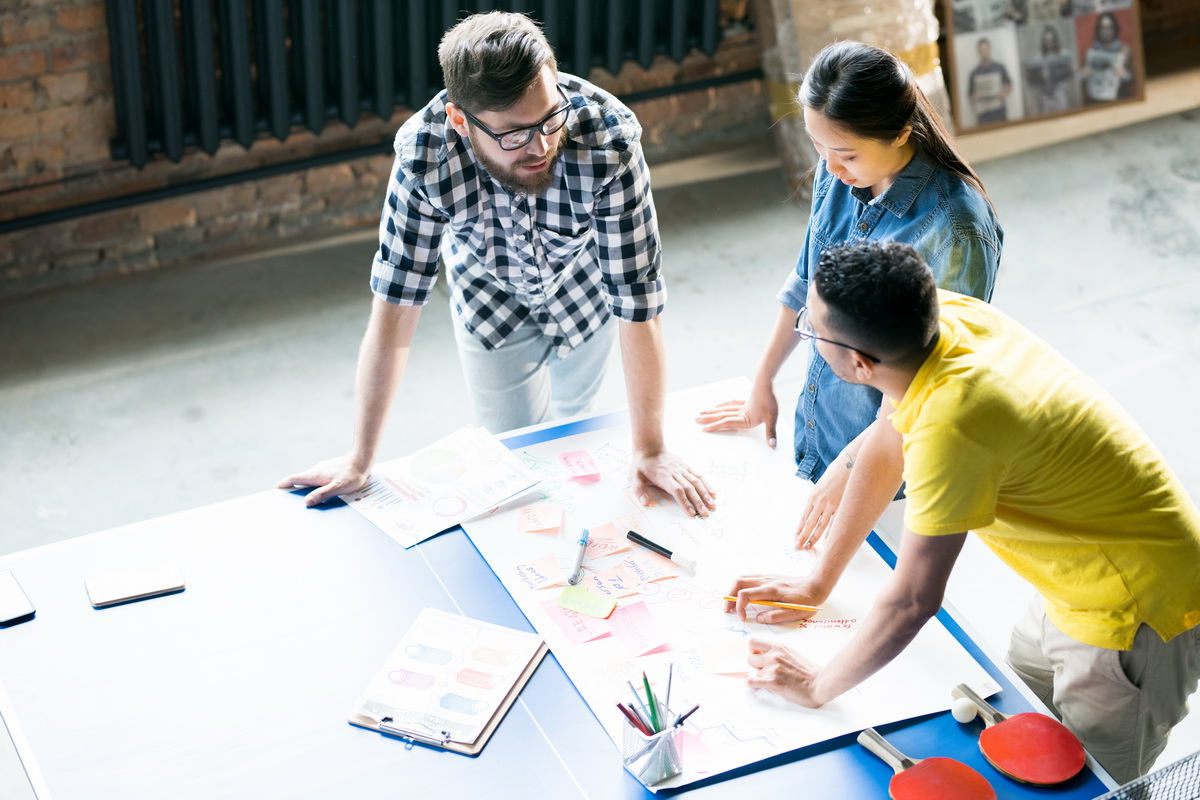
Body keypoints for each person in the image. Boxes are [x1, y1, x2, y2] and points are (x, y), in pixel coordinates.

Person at [726, 240, 1200, 785]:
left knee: (1087, 785)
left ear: (857, 364)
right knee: (1018, 722)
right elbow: (887, 437)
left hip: (1134, 609)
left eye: (811, 329)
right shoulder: (937, 317)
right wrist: (816, 582)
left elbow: (912, 600)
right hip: (1078, 577)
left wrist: (816, 686)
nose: (804, 330)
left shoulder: (952, 426)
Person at [278, 11, 716, 518]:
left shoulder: (607, 139)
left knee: (576, 426)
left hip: (586, 287)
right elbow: (394, 309)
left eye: (550, 118)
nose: (541, 146)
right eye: (513, 134)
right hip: (488, 298)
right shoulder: (424, 158)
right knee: (514, 458)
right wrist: (360, 457)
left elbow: (639, 301)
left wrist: (651, 448)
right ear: (461, 121)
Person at [696, 41, 1001, 544]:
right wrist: (763, 380)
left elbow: (931, 383)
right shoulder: (839, 171)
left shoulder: (956, 227)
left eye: (846, 154)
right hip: (825, 430)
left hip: (890, 463)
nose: (831, 169)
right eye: (819, 148)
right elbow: (806, 279)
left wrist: (851, 465)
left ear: (901, 131)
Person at [1081, 11, 1133, 104]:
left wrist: (1124, 75)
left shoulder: (1125, 50)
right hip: (1095, 100)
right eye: (1103, 28)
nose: (1106, 31)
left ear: (1115, 29)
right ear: (1098, 30)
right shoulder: (1091, 50)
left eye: (1109, 28)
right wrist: (1084, 75)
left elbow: (1134, 78)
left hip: (1119, 100)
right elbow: (1084, 82)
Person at [1024, 25, 1074, 114]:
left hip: (1060, 96)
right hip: (1045, 98)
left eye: (1051, 40)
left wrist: (1071, 70)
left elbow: (1071, 73)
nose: (1049, 42)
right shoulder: (1038, 57)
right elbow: (1032, 79)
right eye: (1046, 40)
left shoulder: (1063, 54)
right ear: (1043, 41)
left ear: (1055, 40)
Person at [968, 38, 1014, 125]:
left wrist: (1003, 92)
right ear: (978, 52)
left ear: (989, 50)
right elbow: (970, 94)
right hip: (983, 115)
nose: (984, 53)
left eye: (985, 50)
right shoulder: (974, 73)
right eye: (982, 50)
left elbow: (1009, 84)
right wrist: (975, 96)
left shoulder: (999, 68)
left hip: (999, 112)